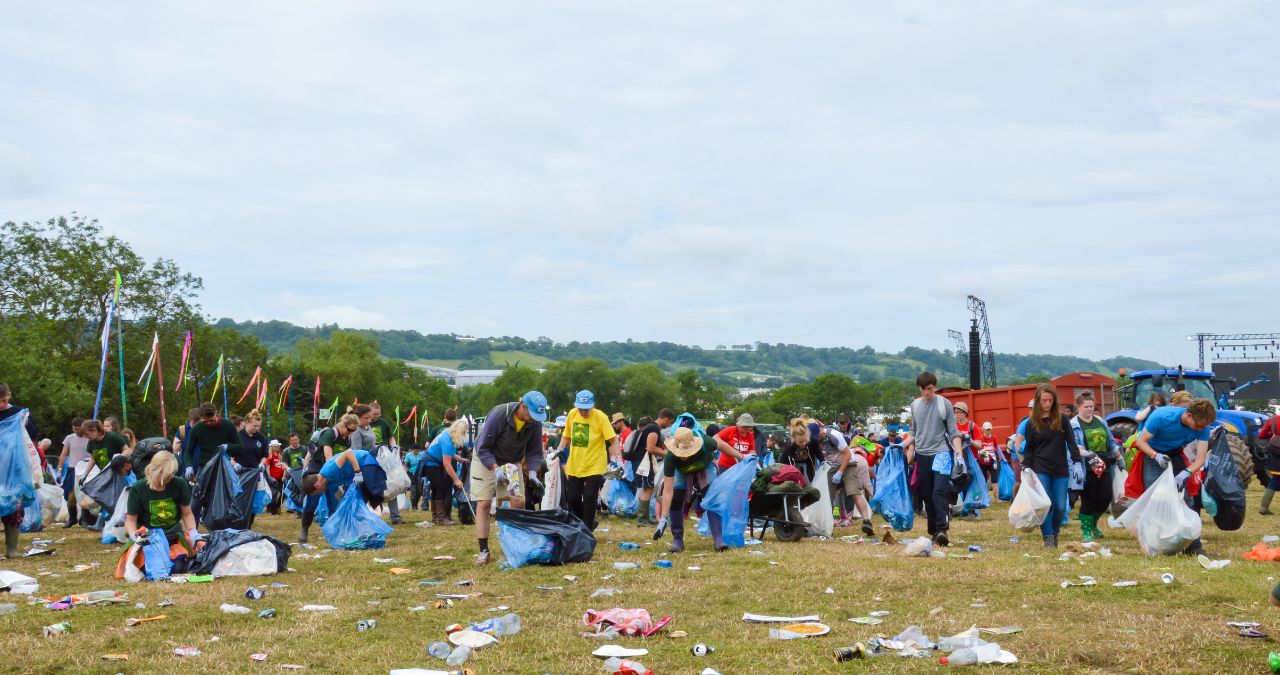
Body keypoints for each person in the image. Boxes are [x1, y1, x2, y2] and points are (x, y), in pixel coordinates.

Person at [471, 391, 548, 566]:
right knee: (483, 502)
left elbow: (535, 451)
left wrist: (534, 473)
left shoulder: (534, 422)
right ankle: (483, 551)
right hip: (485, 458)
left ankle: (515, 546)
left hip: (511, 461)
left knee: (518, 501)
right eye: (532, 414)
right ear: (523, 406)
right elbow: (483, 448)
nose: (534, 419)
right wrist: (495, 469)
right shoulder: (499, 415)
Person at [1133, 399, 1215, 555]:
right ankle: (1153, 544)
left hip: (1176, 453)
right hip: (1152, 453)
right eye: (1198, 425)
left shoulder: (1202, 426)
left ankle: (1193, 546)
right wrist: (1155, 456)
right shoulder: (1162, 417)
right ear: (1189, 415)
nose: (1200, 429)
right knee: (1156, 498)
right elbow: (1141, 442)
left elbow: (1200, 460)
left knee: (1188, 499)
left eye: (1203, 426)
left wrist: (1186, 473)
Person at [903, 372, 965, 547]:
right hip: (922, 454)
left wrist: (959, 455)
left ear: (934, 387)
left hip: (942, 453)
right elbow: (914, 433)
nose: (927, 393)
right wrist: (902, 446)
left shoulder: (944, 404)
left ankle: (942, 529)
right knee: (926, 495)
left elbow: (954, 432)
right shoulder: (915, 406)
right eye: (923, 389)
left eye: (929, 389)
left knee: (939, 492)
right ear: (919, 388)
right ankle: (933, 531)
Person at [657, 426, 742, 553]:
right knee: (676, 497)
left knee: (712, 497)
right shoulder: (670, 457)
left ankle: (718, 539)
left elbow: (721, 445)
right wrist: (663, 518)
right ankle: (678, 540)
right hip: (682, 472)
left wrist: (741, 456)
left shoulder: (705, 442)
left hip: (705, 466)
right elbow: (668, 490)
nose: (684, 456)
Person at [1019, 384, 1083, 548]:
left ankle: (1054, 531)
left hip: (1061, 468)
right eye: (1043, 401)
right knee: (1045, 505)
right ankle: (1048, 538)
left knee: (1060, 507)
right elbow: (1029, 447)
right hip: (1040, 468)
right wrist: (1026, 466)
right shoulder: (1031, 422)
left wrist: (1076, 462)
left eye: (1049, 400)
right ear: (1038, 401)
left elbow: (1071, 441)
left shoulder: (1062, 419)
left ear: (1054, 401)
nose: (1046, 404)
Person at [555, 390, 618, 533]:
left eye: (586, 409)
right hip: (576, 463)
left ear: (593, 405)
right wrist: (559, 449)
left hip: (595, 464)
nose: (583, 412)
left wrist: (617, 458)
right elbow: (566, 435)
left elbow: (613, 440)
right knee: (572, 498)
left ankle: (586, 531)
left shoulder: (601, 417)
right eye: (580, 408)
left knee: (589, 497)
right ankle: (587, 520)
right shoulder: (572, 414)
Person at [124, 450, 204, 557]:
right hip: (149, 537)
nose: (170, 476)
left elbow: (187, 513)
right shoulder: (138, 489)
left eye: (172, 473)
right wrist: (135, 536)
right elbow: (130, 520)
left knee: (179, 563)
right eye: (167, 473)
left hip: (173, 535)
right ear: (155, 470)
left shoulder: (179, 484)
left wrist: (193, 533)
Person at [298, 413, 358, 544]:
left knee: (334, 503)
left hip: (333, 475)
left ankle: (335, 532)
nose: (351, 433)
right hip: (318, 472)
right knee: (312, 503)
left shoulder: (347, 440)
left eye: (354, 431)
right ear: (343, 425)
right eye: (350, 430)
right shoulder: (330, 434)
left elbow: (346, 457)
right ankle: (305, 528)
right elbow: (329, 457)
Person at [1069, 392, 1120, 542]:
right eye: (1086, 406)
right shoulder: (1073, 424)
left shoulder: (1100, 421)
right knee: (1089, 499)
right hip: (1086, 465)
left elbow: (1110, 440)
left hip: (1103, 463)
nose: (1090, 409)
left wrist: (1119, 456)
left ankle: (1093, 523)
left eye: (1092, 406)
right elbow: (1072, 445)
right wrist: (1086, 453)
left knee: (1105, 497)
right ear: (1079, 407)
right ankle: (1086, 530)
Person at [0, 383, 41, 558]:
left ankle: (12, 549)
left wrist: (26, 422)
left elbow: (33, 434)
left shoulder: (18, 413)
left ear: (9, 395)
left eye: (3, 400)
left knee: (14, 507)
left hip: (14, 468)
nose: (1, 405)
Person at [629, 409, 674, 526]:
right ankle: (642, 519)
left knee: (648, 488)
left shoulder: (651, 427)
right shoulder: (654, 429)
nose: (669, 425)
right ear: (666, 419)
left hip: (641, 461)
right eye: (670, 422)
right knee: (647, 489)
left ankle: (646, 517)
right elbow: (651, 448)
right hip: (644, 462)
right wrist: (668, 454)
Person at [424, 419, 469, 526]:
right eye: (464, 432)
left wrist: (459, 459)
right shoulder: (447, 440)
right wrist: (456, 480)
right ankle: (441, 519)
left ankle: (436, 517)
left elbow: (449, 453)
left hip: (431, 462)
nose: (465, 434)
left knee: (436, 489)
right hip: (431, 463)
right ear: (459, 431)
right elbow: (447, 464)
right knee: (441, 487)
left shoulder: (448, 434)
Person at [183, 404, 242, 479]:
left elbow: (240, 446)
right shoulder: (196, 429)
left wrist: (228, 447)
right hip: (205, 467)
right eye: (205, 421)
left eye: (211, 420)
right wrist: (188, 466)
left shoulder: (228, 425)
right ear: (201, 418)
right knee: (199, 490)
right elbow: (188, 452)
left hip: (223, 468)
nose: (208, 423)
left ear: (216, 413)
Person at [56, 418, 89, 528]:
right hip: (72, 470)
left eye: (78, 429)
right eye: (74, 429)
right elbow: (63, 454)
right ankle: (72, 518)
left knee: (85, 495)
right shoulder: (69, 438)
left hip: (86, 470)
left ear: (83, 428)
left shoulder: (89, 438)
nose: (76, 431)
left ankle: (84, 520)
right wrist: (59, 470)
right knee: (70, 496)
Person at [1259, 415, 1280, 515]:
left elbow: (1261, 435)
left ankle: (1264, 507)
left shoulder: (1274, 419)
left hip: (1276, 452)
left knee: (1276, 479)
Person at [264, 440, 287, 515]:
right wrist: (269, 477)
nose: (276, 447)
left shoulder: (280, 456)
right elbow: (267, 467)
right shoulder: (270, 456)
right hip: (273, 478)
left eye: (277, 446)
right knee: (274, 494)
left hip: (281, 478)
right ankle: (272, 510)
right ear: (272, 447)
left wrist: (284, 475)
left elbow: (283, 466)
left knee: (284, 493)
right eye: (274, 446)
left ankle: (277, 507)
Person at [404, 444, 426, 510]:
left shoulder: (421, 455)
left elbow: (423, 464)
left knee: (419, 491)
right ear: (412, 450)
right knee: (413, 491)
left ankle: (415, 504)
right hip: (411, 474)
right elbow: (406, 466)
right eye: (415, 451)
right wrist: (404, 474)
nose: (416, 452)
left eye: (418, 451)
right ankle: (414, 507)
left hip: (419, 474)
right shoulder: (408, 455)